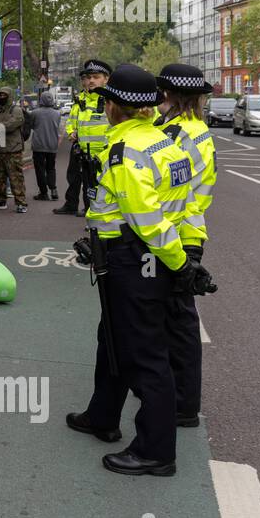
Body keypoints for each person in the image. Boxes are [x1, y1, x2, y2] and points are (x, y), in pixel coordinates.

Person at [65, 64, 207, 476]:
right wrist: (186, 260)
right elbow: (181, 207)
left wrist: (180, 265)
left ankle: (156, 450)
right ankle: (102, 415)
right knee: (112, 338)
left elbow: (148, 220)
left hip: (134, 260)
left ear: (115, 106)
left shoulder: (126, 151)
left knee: (144, 354)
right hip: (146, 259)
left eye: (106, 101)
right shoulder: (165, 142)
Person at [155, 63, 217, 428]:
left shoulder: (180, 133)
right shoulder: (191, 129)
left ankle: (183, 403)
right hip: (185, 229)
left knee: (179, 323)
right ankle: (172, 391)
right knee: (170, 317)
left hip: (180, 233)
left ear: (169, 94)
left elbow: (167, 186)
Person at [54, 60, 112, 215]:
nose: (91, 80)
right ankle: (89, 214)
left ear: (105, 79)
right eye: (89, 77)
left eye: (96, 77)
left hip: (105, 154)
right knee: (86, 187)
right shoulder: (81, 99)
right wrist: (72, 131)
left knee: (104, 189)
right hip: (84, 152)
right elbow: (72, 120)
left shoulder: (111, 100)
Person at [0, 87, 28, 213]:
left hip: (13, 149)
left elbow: (14, 123)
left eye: (4, 95)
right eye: (0, 95)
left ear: (9, 96)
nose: (2, 97)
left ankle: (21, 203)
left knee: (16, 177)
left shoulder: (16, 110)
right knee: (0, 177)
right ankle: (0, 200)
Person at [30, 91, 63, 200]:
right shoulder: (57, 113)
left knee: (40, 169)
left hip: (39, 144)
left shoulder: (34, 113)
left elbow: (32, 126)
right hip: (52, 144)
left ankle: (43, 192)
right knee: (51, 168)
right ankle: (53, 189)